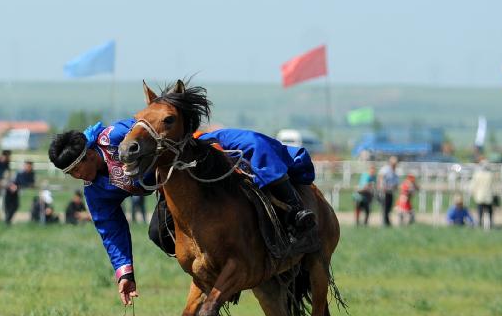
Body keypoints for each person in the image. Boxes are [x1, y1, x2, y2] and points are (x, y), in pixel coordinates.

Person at [48, 118, 316, 305]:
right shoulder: (94, 190)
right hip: (169, 193)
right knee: (158, 233)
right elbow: (109, 228)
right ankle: (213, 273)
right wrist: (125, 273)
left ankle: (294, 215)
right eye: (69, 172)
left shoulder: (117, 136)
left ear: (89, 155)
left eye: (75, 169)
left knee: (253, 143)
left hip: (191, 158)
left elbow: (155, 127)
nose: (75, 176)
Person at [3, 160, 35, 225]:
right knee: (8, 206)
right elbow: (19, 182)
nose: (28, 168)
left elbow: (30, 183)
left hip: (15, 191)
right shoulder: (20, 173)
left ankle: (7, 221)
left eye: (29, 166)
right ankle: (7, 221)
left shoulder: (31, 174)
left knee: (15, 206)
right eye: (27, 166)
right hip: (9, 191)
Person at [468, 158, 495, 229]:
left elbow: (473, 185)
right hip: (488, 196)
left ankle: (480, 224)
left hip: (480, 196)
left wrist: (473, 193)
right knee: (489, 212)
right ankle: (490, 225)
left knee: (480, 212)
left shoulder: (477, 174)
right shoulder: (490, 175)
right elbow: (493, 186)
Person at [377, 156, 400, 226]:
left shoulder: (395, 171)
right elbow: (380, 178)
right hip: (384, 192)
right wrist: (382, 187)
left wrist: (394, 187)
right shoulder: (385, 169)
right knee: (385, 208)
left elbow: (396, 183)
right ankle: (385, 223)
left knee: (389, 208)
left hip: (390, 192)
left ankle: (387, 222)